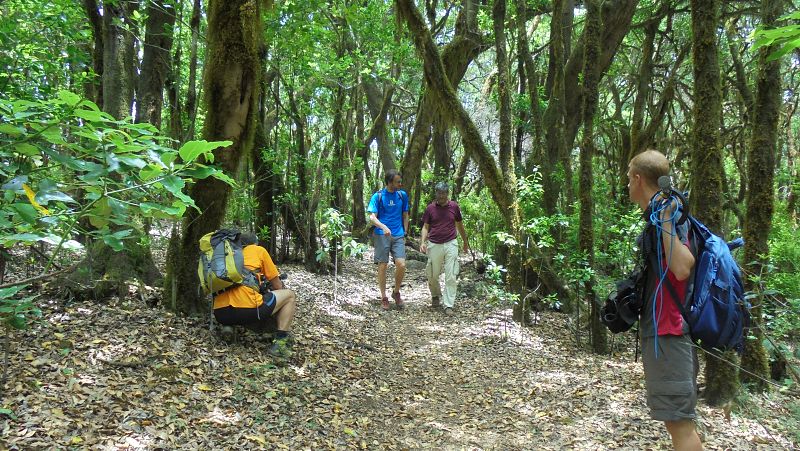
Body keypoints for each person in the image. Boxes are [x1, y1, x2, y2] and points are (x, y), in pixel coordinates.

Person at [626, 150, 702, 451]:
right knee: (679, 423)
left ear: (637, 178)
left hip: (670, 331)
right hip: (664, 331)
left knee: (680, 424)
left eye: (628, 179)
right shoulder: (662, 213)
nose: (627, 186)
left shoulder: (668, 215)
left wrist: (667, 224)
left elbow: (683, 267)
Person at [213, 233, 297, 358]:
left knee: (237, 299)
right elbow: (277, 286)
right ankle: (280, 342)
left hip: (220, 313)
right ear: (255, 243)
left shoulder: (227, 254)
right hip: (248, 310)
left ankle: (228, 326)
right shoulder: (258, 250)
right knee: (289, 296)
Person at [419, 182, 470, 315]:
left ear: (447, 194)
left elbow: (460, 225)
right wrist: (423, 242)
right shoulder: (430, 208)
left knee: (451, 275)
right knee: (432, 274)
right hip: (434, 243)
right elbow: (425, 227)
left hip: (451, 243)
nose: (441, 196)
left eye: (443, 193)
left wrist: (465, 241)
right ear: (436, 193)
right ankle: (435, 295)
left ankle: (448, 305)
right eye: (439, 193)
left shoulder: (454, 206)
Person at [367, 169, 409, 310]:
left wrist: (405, 231)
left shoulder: (402, 195)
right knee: (383, 265)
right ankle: (384, 297)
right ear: (390, 182)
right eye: (398, 181)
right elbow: (372, 217)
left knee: (401, 264)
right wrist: (383, 227)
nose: (400, 184)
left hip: (398, 235)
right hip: (381, 235)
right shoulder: (378, 196)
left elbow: (405, 214)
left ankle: (396, 292)